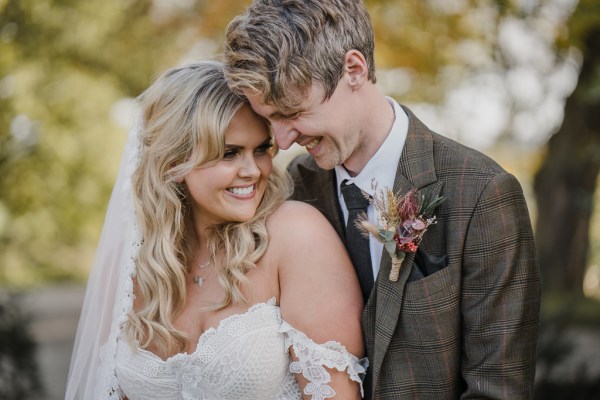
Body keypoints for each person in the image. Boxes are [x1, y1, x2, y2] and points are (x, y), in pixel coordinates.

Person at [224, 0, 542, 398]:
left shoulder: (482, 193)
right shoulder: (293, 190)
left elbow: (498, 388)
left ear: (353, 70)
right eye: (270, 119)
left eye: (292, 111)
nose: (283, 139)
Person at [65, 61, 368, 400]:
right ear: (174, 163)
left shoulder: (296, 235)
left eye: (261, 149)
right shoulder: (133, 263)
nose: (252, 170)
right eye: (229, 153)